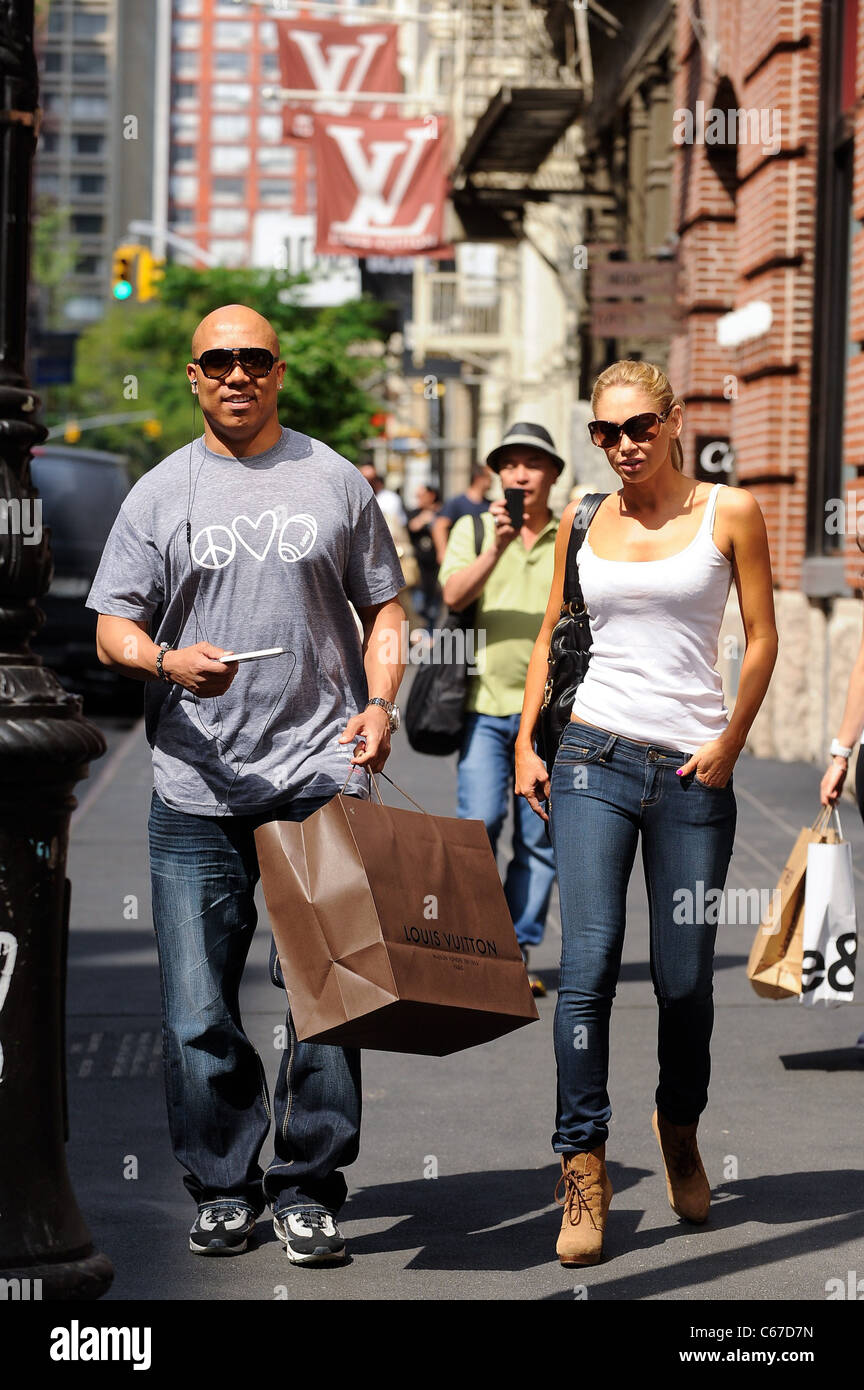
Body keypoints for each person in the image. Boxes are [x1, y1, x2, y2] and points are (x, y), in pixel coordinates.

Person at [86, 305, 406, 1267]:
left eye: (254, 359)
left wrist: (381, 704)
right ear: (193, 376)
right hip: (196, 787)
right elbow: (113, 626)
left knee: (329, 993)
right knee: (197, 1010)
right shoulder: (157, 493)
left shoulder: (334, 479)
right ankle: (224, 1187)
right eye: (218, 361)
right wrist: (166, 660)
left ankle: (309, 1187)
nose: (237, 374)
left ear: (277, 372)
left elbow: (385, 607)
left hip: (317, 775)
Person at [515, 360, 777, 1266]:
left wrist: (732, 742)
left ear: (674, 421)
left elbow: (762, 637)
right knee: (584, 971)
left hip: (694, 771)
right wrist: (526, 744)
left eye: (637, 427)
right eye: (604, 432)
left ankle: (679, 1124)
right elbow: (554, 633)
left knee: (683, 981)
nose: (622, 445)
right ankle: (582, 1166)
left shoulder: (731, 510)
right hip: (593, 754)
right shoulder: (585, 519)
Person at [439, 422, 566, 997]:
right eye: (509, 464)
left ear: (553, 475)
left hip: (550, 716)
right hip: (485, 710)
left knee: (541, 839)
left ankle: (512, 951)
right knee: (481, 823)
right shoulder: (472, 528)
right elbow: (452, 595)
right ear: (497, 476)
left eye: (532, 464)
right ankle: (475, 941)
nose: (520, 474)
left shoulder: (573, 532)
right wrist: (497, 546)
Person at [432, 462, 492, 563]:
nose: (492, 481)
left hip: (484, 559)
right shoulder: (457, 503)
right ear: (478, 478)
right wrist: (443, 552)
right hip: (461, 559)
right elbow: (439, 526)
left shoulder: (490, 505)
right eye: (489, 477)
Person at [407, 482, 442, 630]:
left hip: (437, 569)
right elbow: (412, 526)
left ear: (431, 496)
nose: (418, 499)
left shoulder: (442, 513)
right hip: (419, 571)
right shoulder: (415, 513)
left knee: (434, 609)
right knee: (418, 608)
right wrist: (424, 518)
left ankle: (431, 634)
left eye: (421, 496)